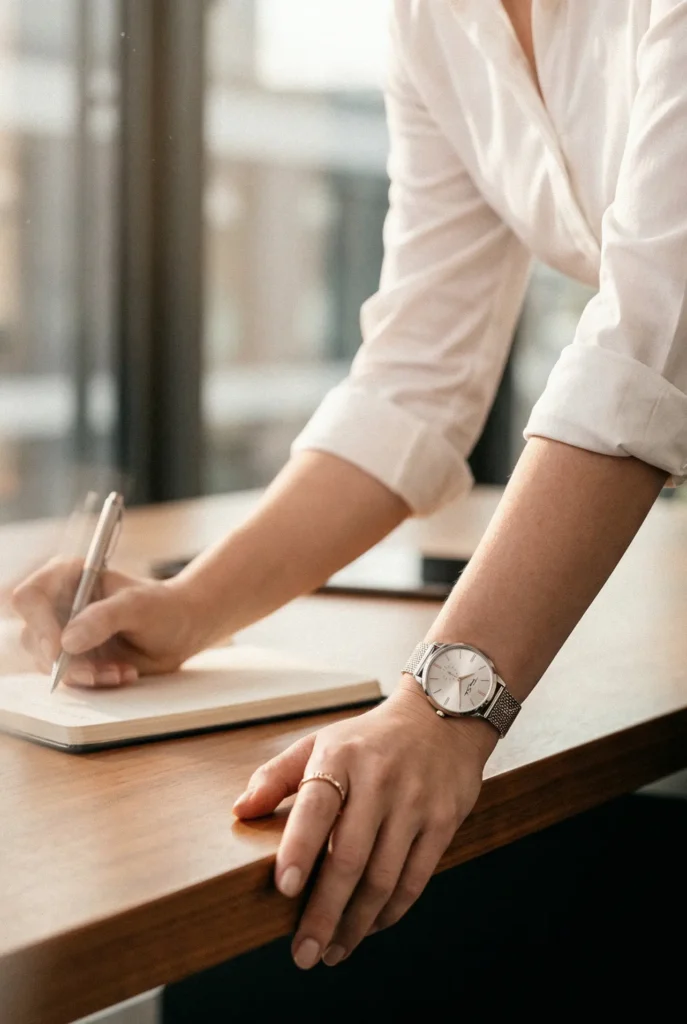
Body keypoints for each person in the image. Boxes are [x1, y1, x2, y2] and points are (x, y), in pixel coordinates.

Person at [13, 0, 686, 974]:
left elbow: (653, 337)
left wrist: (444, 708)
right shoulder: (431, 21)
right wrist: (191, 606)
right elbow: (414, 379)